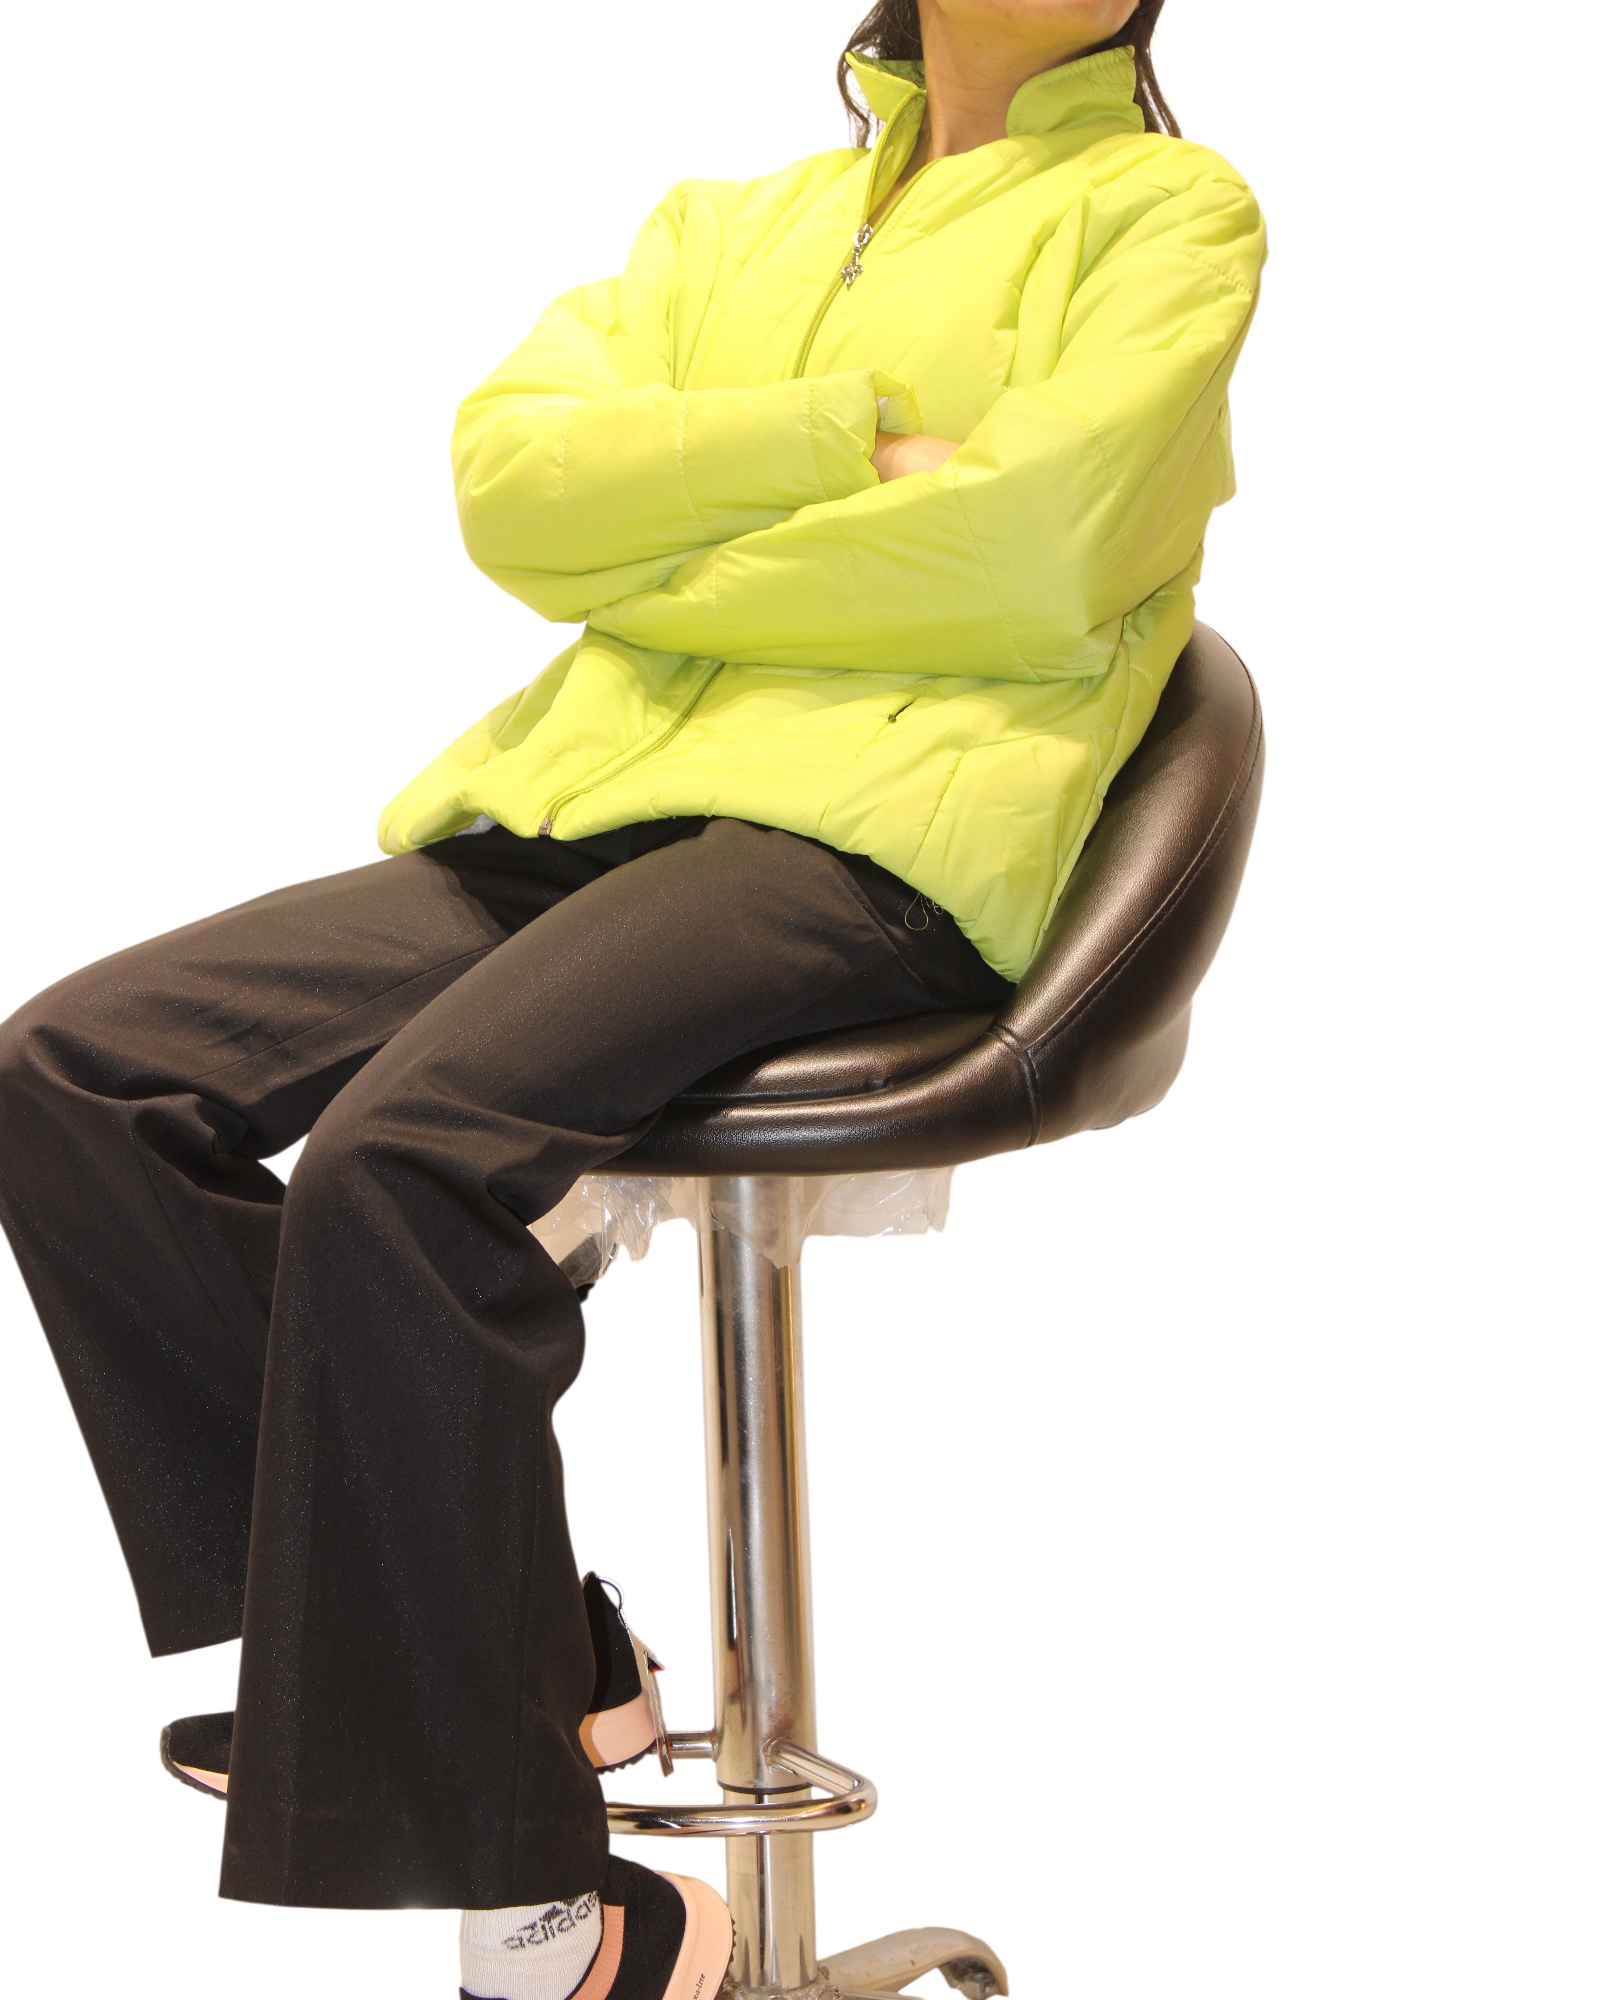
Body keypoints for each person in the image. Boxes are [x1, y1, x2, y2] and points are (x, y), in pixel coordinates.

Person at [0, 3, 1264, 1997]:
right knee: (76, 1073)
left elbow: (1031, 555)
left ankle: (565, 1916)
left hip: (875, 833)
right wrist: (840, 452)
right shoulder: (721, 225)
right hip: (592, 807)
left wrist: (668, 555)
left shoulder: (1169, 217)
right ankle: (493, 1657)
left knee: (399, 1165)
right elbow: (517, 493)